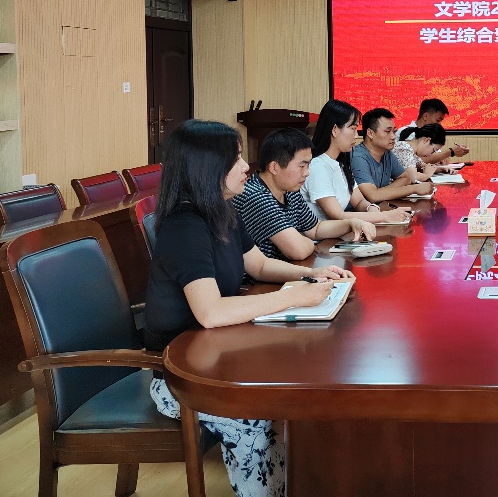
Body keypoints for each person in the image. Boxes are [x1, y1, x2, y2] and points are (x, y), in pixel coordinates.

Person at [144, 119, 354, 497]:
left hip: (218, 352)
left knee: (296, 388)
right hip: (181, 375)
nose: (246, 166)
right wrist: (292, 297)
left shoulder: (222, 209)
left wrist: (312, 276)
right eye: (236, 158)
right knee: (262, 415)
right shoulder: (185, 226)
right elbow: (210, 313)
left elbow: (257, 265)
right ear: (206, 168)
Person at [233, 127, 375, 262]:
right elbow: (298, 250)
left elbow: (316, 228)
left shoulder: (289, 191)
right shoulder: (256, 195)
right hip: (261, 278)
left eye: (308, 165)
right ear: (274, 167)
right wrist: (306, 241)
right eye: (302, 166)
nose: (307, 173)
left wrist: (351, 223)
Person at [304, 99, 414, 223]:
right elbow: (337, 215)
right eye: (353, 128)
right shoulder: (317, 166)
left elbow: (359, 201)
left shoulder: (340, 163)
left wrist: (370, 208)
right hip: (327, 234)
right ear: (335, 129)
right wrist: (385, 216)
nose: (356, 135)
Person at [352, 107, 435, 203]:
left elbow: (406, 178)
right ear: (370, 133)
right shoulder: (358, 156)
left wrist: (381, 192)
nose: (393, 137)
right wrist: (414, 189)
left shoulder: (387, 153)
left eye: (394, 131)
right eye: (387, 131)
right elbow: (373, 196)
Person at [399, 98, 469, 165]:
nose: (439, 124)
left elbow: (437, 156)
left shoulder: (431, 134)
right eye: (438, 120)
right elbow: (414, 161)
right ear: (425, 116)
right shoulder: (405, 134)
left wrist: (441, 159)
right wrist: (450, 152)